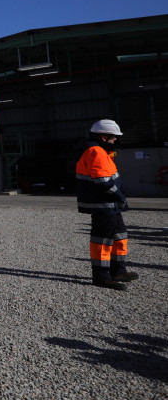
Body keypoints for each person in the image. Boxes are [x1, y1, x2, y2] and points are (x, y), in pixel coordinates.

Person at [75, 119, 138, 290]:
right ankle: (101, 276)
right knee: (102, 240)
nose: (115, 140)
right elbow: (103, 181)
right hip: (103, 204)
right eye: (113, 137)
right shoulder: (95, 151)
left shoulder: (101, 150)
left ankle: (117, 270)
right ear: (104, 136)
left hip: (110, 204)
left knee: (119, 235)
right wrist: (119, 196)